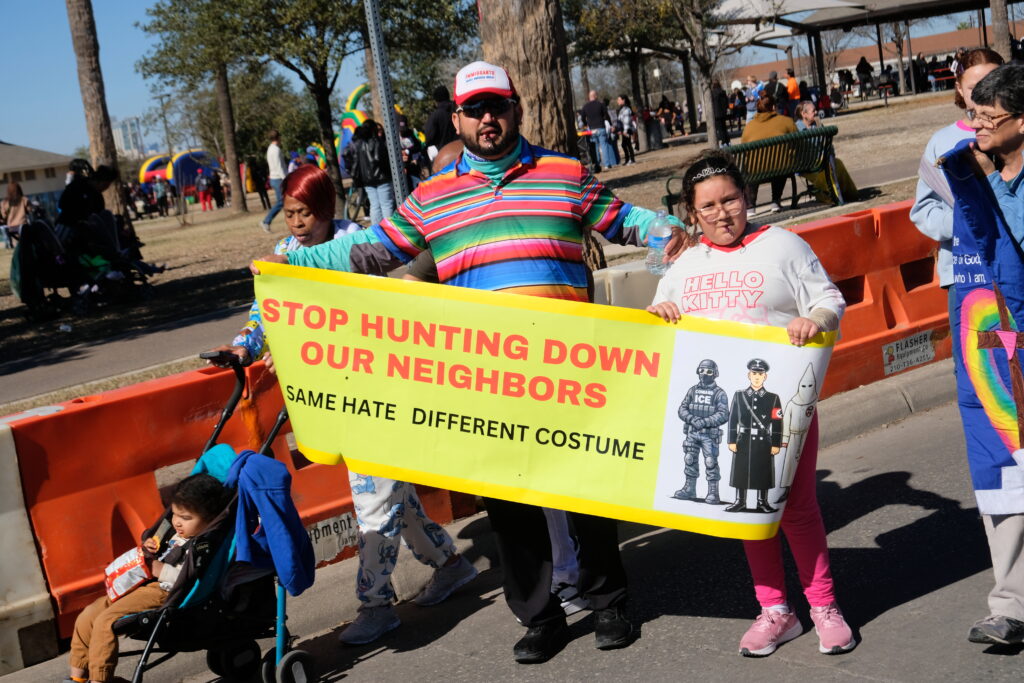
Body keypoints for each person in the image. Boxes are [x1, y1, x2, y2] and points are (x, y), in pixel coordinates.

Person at [251, 60, 684, 664]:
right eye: (474, 110)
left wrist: (668, 231)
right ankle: (540, 617)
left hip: (571, 374)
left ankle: (608, 602)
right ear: (456, 119)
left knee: (589, 492)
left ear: (516, 109)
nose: (487, 119)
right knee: (510, 505)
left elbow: (626, 221)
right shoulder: (432, 197)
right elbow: (370, 250)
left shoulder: (564, 173)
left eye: (496, 106)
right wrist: (293, 265)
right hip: (489, 382)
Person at [208, 164, 477, 645]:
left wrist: (306, 343)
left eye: (305, 213)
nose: (296, 223)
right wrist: (244, 347)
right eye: (289, 213)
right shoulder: (286, 253)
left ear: (326, 209)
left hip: (378, 395)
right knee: (392, 495)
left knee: (373, 500)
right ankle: (450, 565)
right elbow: (264, 312)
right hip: (332, 400)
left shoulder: (357, 247)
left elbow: (375, 315)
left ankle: (375, 606)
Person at [647, 150, 854, 658]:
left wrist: (815, 321)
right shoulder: (684, 266)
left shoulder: (784, 245)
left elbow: (829, 300)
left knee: (797, 507)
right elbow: (660, 327)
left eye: (731, 200)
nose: (722, 214)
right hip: (724, 415)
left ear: (747, 196)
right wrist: (660, 312)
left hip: (784, 406)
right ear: (692, 213)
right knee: (747, 509)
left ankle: (825, 607)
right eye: (708, 206)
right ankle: (775, 611)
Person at [947, 65, 1024, 646]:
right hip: (1001, 346)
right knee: (1001, 457)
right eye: (974, 114)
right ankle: (1012, 605)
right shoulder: (981, 184)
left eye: (989, 117)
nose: (977, 126)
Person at [66, 473, 228, 683]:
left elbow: (191, 579)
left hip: (164, 591)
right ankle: (77, 678)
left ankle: (100, 679)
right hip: (142, 582)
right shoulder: (176, 531)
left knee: (106, 621)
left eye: (186, 518)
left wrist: (160, 570)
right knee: (89, 614)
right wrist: (150, 547)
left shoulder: (203, 544)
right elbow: (162, 543)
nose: (177, 522)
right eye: (175, 514)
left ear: (210, 520)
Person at [910, 48, 1004, 306]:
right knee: (974, 333)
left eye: (993, 82)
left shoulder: (1016, 132)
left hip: (1015, 263)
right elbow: (923, 210)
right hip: (965, 272)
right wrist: (961, 222)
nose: (985, 93)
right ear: (960, 89)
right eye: (975, 87)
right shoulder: (940, 142)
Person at [741, 92, 798, 213]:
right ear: (773, 107)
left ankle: (751, 206)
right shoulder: (786, 121)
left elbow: (745, 152)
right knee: (781, 160)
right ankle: (775, 201)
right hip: (781, 168)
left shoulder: (749, 127)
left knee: (752, 165)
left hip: (755, 171)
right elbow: (799, 144)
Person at [794, 101, 859, 204]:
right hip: (807, 165)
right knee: (824, 171)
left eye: (815, 110)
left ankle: (850, 194)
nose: (816, 112)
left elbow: (828, 144)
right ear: (803, 114)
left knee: (838, 163)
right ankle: (830, 197)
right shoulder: (796, 129)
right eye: (813, 111)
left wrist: (830, 155)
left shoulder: (818, 124)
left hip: (822, 161)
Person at [343, 119, 395, 225]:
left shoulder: (359, 144)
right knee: (386, 205)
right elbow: (382, 160)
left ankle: (376, 229)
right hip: (383, 178)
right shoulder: (378, 142)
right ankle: (389, 229)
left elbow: (352, 158)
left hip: (367, 181)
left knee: (374, 206)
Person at [260, 129, 288, 232]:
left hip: (275, 178)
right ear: (278, 137)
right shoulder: (276, 150)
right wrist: (285, 178)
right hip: (278, 178)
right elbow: (279, 166)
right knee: (281, 201)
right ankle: (266, 221)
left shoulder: (271, 149)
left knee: (284, 201)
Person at [582, 90, 617, 171]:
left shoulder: (585, 106)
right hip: (601, 127)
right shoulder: (601, 104)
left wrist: (586, 124)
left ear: (589, 97)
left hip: (592, 129)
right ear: (596, 96)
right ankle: (607, 164)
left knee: (596, 147)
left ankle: (597, 165)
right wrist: (610, 125)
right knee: (604, 146)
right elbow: (606, 115)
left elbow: (583, 117)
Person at [423, 85, 459, 161]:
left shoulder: (436, 115)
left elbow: (429, 137)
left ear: (436, 99)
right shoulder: (458, 111)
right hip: (460, 151)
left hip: (443, 155)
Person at [1, 182, 30, 249]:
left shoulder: (4, 202)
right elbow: (30, 211)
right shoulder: (24, 199)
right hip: (23, 227)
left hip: (11, 228)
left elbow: (4, 216)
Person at [616, 95, 636, 165]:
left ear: (623, 100)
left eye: (619, 100)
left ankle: (631, 160)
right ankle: (629, 159)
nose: (617, 101)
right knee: (625, 144)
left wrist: (625, 131)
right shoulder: (622, 109)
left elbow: (627, 121)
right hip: (624, 129)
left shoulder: (626, 109)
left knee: (626, 144)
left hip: (627, 129)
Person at [711, 80, 731, 145]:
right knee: (724, 127)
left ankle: (723, 141)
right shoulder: (723, 92)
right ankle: (727, 140)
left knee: (720, 129)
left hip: (716, 113)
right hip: (723, 112)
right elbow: (726, 102)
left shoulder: (712, 93)